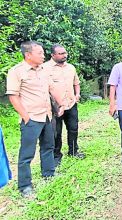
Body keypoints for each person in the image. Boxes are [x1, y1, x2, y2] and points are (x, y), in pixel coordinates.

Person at [6, 41, 64, 197]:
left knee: (48, 146)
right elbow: (13, 96)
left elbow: (52, 88)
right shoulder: (16, 71)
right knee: (27, 153)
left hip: (47, 115)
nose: (43, 55)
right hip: (31, 118)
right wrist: (25, 116)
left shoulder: (44, 70)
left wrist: (61, 104)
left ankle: (49, 173)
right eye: (40, 53)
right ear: (28, 55)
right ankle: (25, 186)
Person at [42, 44, 84, 167]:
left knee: (73, 128)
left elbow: (76, 83)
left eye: (65, 53)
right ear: (52, 55)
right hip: (55, 107)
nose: (64, 55)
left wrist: (77, 94)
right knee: (56, 132)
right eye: (60, 54)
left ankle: (73, 151)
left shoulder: (71, 68)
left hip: (70, 104)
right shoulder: (44, 68)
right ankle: (56, 156)